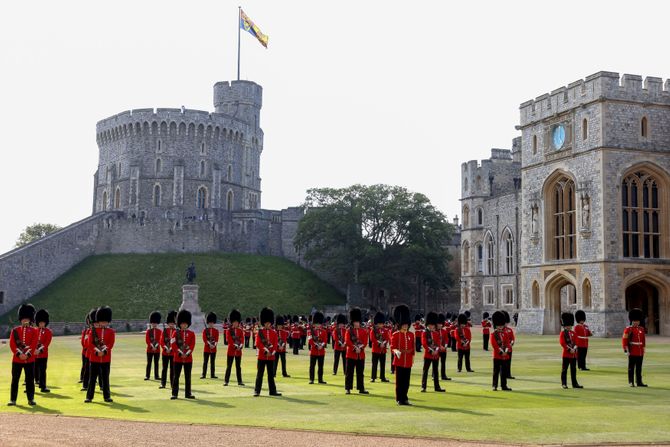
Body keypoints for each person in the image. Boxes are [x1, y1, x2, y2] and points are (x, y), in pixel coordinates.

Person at [8, 304, 38, 406]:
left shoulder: (34, 331)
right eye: (23, 318)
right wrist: (19, 354)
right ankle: (13, 399)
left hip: (29, 360)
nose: (25, 320)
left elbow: (34, 344)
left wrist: (27, 355)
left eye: (27, 318)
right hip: (17, 360)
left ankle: (31, 399)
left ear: (30, 320)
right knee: (15, 379)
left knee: (30, 380)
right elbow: (12, 344)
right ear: (20, 319)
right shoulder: (15, 331)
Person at [86, 306, 116, 403]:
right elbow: (90, 344)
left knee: (105, 378)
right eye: (102, 321)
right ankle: (89, 397)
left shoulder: (111, 332)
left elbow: (111, 343)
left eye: (105, 321)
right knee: (92, 378)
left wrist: (104, 351)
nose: (103, 323)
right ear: (98, 321)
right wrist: (97, 351)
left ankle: (107, 396)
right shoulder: (92, 331)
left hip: (106, 358)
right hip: (94, 358)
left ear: (108, 321)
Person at [254, 307, 281, 397]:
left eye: (269, 323)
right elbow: (258, 344)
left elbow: (275, 345)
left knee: (271, 375)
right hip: (262, 356)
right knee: (260, 374)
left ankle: (272, 391)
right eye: (266, 323)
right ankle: (257, 391)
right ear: (263, 323)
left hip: (271, 357)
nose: (268, 324)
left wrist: (272, 353)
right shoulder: (260, 332)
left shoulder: (274, 333)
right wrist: (266, 351)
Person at [391, 304, 414, 406]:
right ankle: (399, 399)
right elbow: (393, 347)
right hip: (399, 361)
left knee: (406, 382)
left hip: (408, 361)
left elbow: (412, 348)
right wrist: (397, 351)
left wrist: (412, 357)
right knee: (399, 382)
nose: (405, 326)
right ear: (400, 324)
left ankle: (405, 398)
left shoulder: (410, 335)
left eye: (406, 324)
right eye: (404, 324)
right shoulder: (395, 335)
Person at [171, 309, 196, 399]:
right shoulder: (175, 333)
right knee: (176, 377)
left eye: (185, 323)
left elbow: (192, 345)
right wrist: (180, 353)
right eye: (182, 323)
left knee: (188, 377)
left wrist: (187, 353)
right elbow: (173, 344)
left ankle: (188, 393)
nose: (184, 325)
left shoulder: (191, 334)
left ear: (188, 324)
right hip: (178, 358)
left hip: (188, 358)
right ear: (179, 323)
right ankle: (174, 393)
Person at [345, 307, 369, 395]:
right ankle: (348, 388)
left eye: (358, 322)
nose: (356, 323)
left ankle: (361, 388)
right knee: (349, 373)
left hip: (361, 355)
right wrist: (355, 348)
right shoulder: (349, 331)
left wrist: (360, 348)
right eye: (355, 322)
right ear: (352, 322)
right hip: (351, 354)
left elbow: (365, 342)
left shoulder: (363, 331)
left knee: (360, 373)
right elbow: (347, 341)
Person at [421, 311, 446, 393]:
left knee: (436, 371)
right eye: (431, 325)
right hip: (428, 355)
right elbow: (424, 344)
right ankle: (423, 387)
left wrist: (436, 350)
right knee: (425, 371)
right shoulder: (425, 333)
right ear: (428, 324)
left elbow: (438, 343)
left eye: (433, 325)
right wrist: (431, 351)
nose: (432, 326)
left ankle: (437, 386)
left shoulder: (436, 333)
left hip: (435, 355)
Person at [623, 308, 647, 387]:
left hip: (640, 351)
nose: (636, 322)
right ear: (632, 321)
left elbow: (643, 340)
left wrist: (643, 348)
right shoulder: (628, 329)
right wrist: (626, 350)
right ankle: (631, 382)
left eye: (637, 321)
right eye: (635, 321)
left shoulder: (641, 329)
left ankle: (639, 382)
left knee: (639, 368)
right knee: (631, 367)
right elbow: (624, 340)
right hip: (632, 350)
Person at [559, 312, 583, 389]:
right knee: (564, 370)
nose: (569, 327)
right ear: (565, 326)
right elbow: (562, 343)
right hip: (566, 354)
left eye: (570, 325)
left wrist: (574, 349)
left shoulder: (573, 333)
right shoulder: (563, 333)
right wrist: (569, 349)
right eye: (568, 325)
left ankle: (574, 383)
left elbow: (577, 342)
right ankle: (564, 384)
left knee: (573, 370)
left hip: (573, 355)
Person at [490, 311, 512, 391]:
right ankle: (494, 385)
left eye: (501, 325)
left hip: (505, 356)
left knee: (504, 372)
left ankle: (504, 386)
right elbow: (494, 345)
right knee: (496, 372)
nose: (500, 327)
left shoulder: (505, 333)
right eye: (498, 326)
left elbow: (507, 343)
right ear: (495, 325)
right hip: (497, 356)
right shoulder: (493, 334)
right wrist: (501, 352)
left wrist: (506, 351)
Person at [34, 309, 53, 393]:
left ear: (45, 322)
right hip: (34, 354)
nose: (41, 324)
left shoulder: (48, 332)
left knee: (42, 371)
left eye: (43, 322)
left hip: (43, 355)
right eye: (40, 322)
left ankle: (43, 386)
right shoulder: (34, 330)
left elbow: (46, 343)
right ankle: (30, 387)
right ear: (38, 322)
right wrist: (34, 350)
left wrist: (39, 350)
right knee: (32, 371)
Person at [225, 309, 245, 386]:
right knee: (229, 366)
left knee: (238, 367)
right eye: (234, 322)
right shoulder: (229, 331)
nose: (236, 323)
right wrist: (235, 346)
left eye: (237, 322)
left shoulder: (240, 331)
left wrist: (240, 346)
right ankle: (226, 381)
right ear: (232, 322)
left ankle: (239, 381)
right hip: (231, 351)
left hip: (238, 352)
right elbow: (229, 340)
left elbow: (242, 339)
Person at [370, 311, 390, 383]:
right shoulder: (373, 330)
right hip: (375, 350)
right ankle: (373, 377)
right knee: (374, 365)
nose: (380, 325)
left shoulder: (385, 330)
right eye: (379, 324)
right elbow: (372, 339)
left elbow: (387, 338)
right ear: (377, 323)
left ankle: (382, 377)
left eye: (381, 323)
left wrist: (383, 343)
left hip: (383, 350)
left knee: (382, 365)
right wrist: (379, 344)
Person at [308, 311, 328, 384]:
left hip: (321, 351)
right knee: (312, 366)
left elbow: (325, 340)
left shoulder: (324, 331)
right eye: (316, 323)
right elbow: (310, 340)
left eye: (319, 323)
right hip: (314, 351)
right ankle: (311, 379)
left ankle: (320, 379)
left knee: (320, 367)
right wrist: (316, 345)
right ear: (314, 323)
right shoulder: (311, 331)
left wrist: (321, 345)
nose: (318, 325)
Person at [159, 310, 177, 389]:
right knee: (164, 369)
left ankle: (172, 384)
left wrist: (171, 349)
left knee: (172, 370)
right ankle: (163, 383)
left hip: (173, 353)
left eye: (173, 323)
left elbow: (176, 343)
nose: (171, 325)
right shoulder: (165, 331)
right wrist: (166, 348)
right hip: (165, 353)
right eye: (170, 323)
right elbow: (161, 341)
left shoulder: (176, 331)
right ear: (168, 323)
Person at [201, 312, 219, 379]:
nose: (211, 324)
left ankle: (212, 374)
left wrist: (214, 345)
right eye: (210, 323)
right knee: (205, 362)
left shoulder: (216, 331)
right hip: (207, 349)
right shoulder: (205, 330)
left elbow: (217, 339)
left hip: (214, 349)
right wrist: (209, 344)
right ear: (208, 323)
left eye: (212, 323)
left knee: (212, 362)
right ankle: (204, 374)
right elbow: (204, 339)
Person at [145, 311, 162, 381]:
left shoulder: (160, 331)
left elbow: (160, 340)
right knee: (149, 363)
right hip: (149, 349)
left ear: (157, 323)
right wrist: (152, 346)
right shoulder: (148, 331)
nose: (154, 324)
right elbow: (147, 340)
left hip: (157, 349)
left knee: (156, 363)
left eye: (155, 323)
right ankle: (147, 376)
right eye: (153, 323)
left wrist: (156, 346)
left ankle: (156, 376)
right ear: (151, 323)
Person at [437, 314, 451, 381]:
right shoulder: (435, 331)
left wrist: (445, 346)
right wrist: (440, 346)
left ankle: (443, 375)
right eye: (439, 324)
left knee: (443, 363)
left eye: (441, 324)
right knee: (435, 364)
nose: (440, 325)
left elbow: (446, 339)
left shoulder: (444, 331)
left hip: (443, 350)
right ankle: (434, 375)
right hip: (437, 350)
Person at [503, 310, 516, 379]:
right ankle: (503, 375)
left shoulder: (509, 330)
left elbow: (512, 338)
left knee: (508, 363)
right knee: (503, 363)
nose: (506, 324)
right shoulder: (500, 331)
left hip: (509, 349)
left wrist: (512, 343)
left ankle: (508, 374)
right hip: (502, 349)